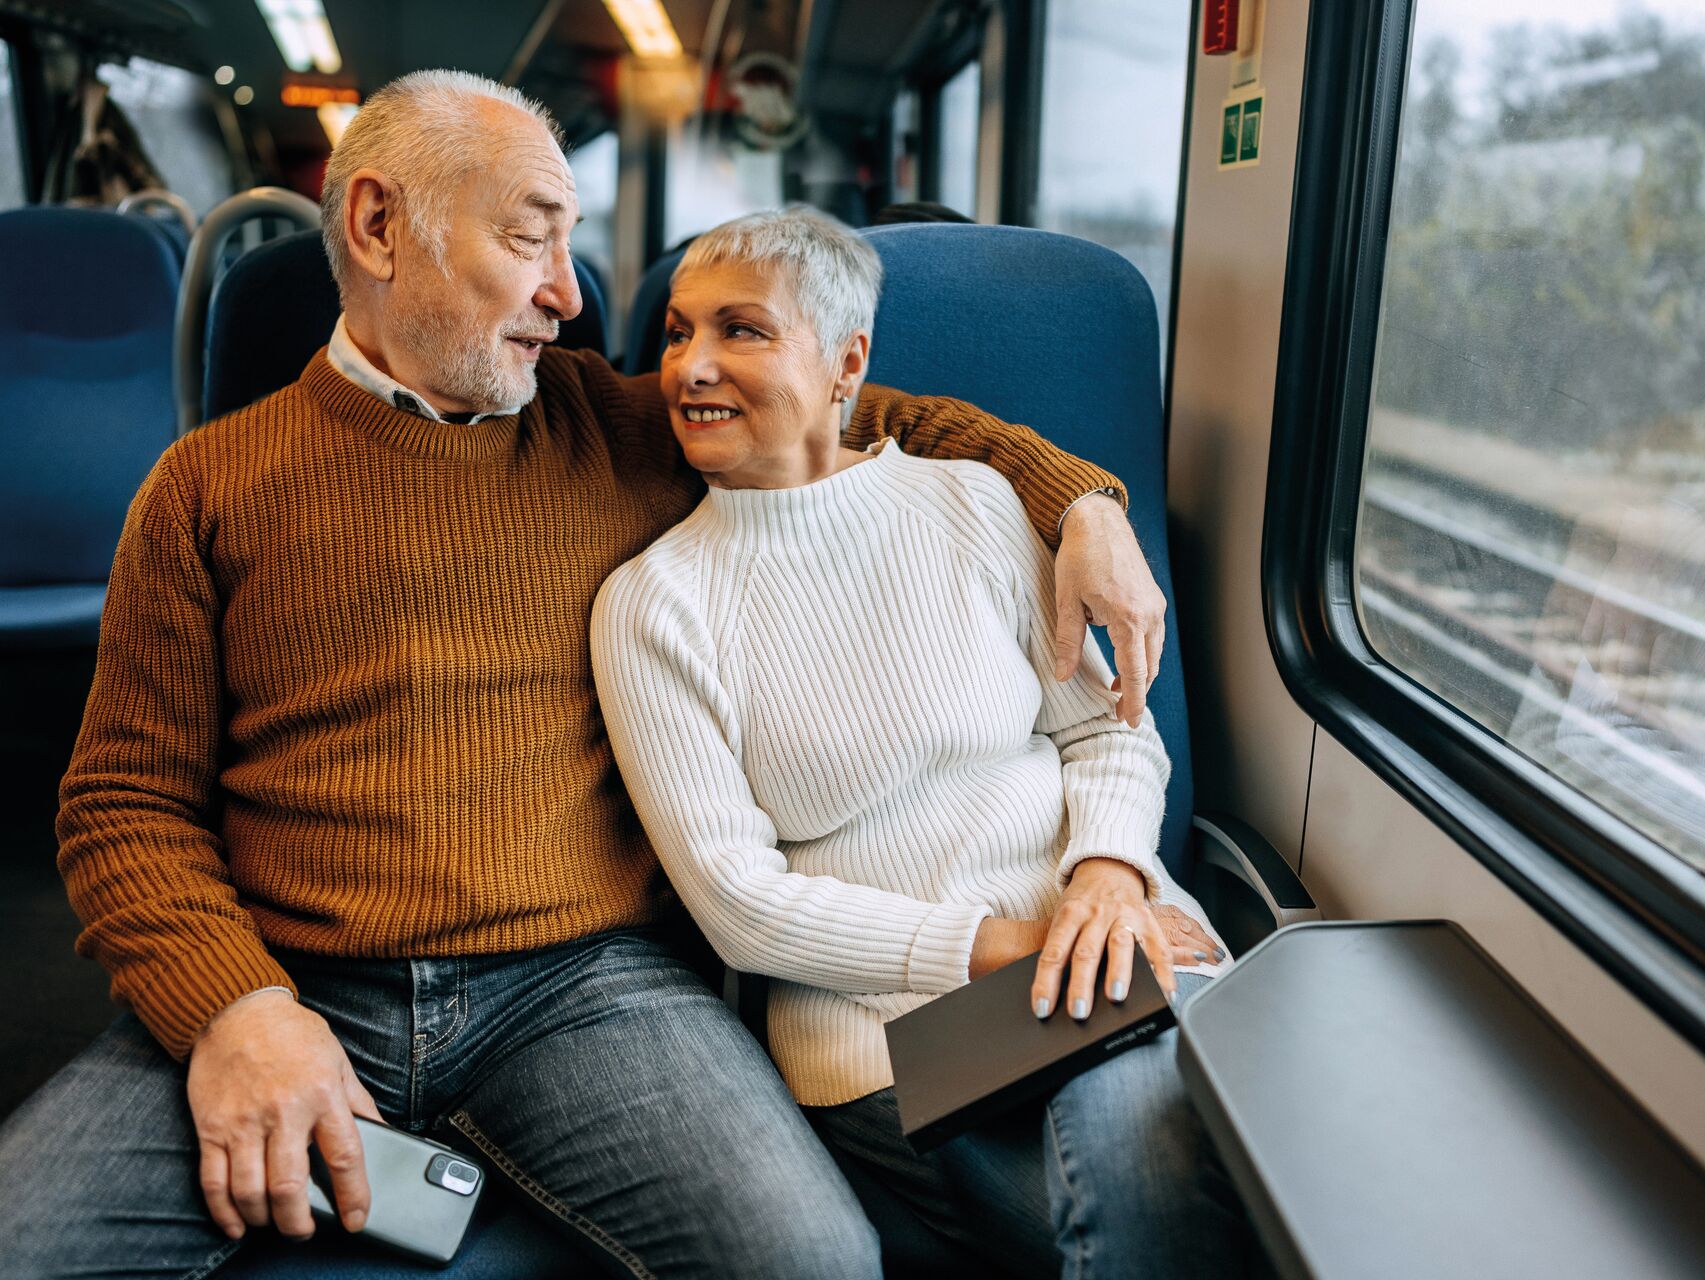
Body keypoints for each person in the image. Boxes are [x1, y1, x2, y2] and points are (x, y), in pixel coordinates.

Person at [0, 71, 1171, 1278]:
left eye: (570, 245)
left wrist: (1077, 501)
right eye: (530, 240)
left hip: (582, 988)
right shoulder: (204, 488)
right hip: (289, 971)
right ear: (377, 225)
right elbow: (122, 809)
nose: (570, 295)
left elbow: (867, 417)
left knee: (812, 1261)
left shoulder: (612, 426)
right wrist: (234, 1010)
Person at [591, 207, 1254, 1277]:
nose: (690, 366)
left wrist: (1108, 875)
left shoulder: (978, 503)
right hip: (891, 1031)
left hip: (1127, 941)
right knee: (1157, 1176)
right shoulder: (652, 603)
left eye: (741, 330)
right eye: (676, 332)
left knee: (1234, 1175)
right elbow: (740, 903)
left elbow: (1112, 732)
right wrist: (1026, 946)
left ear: (848, 360)